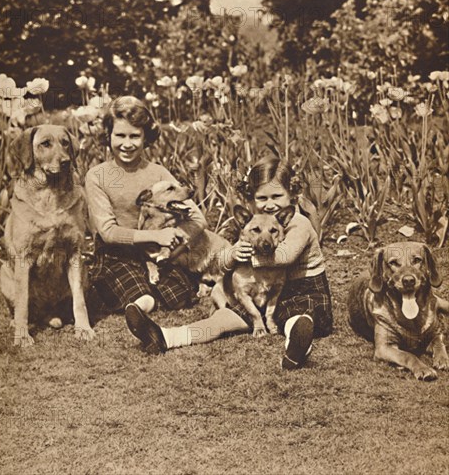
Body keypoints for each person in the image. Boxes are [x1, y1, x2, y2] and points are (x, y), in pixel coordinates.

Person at [125, 155, 333, 369]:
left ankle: (297, 346)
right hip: (261, 296)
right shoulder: (252, 224)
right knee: (223, 319)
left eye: (276, 196)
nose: (269, 205)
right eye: (262, 198)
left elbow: (285, 257)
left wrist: (249, 255)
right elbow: (223, 262)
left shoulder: (298, 224)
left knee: (296, 317)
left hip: (300, 292)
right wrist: (233, 254)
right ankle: (167, 336)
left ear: (291, 195)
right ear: (252, 200)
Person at [85, 96, 207, 331]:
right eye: (120, 136)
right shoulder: (97, 176)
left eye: (135, 136)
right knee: (141, 294)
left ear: (146, 138)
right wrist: (155, 237)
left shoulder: (158, 173)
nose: (127, 144)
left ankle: (138, 294)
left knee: (176, 294)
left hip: (158, 253)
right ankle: (139, 309)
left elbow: (198, 218)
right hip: (117, 252)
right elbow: (108, 232)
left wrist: (173, 240)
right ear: (108, 135)